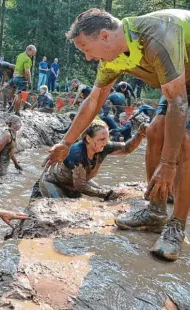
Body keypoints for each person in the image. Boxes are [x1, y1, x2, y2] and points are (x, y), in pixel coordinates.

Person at [49, 8, 190, 261]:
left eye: (85, 48)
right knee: (156, 130)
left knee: (185, 143)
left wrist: (168, 165)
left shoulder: (156, 36)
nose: (88, 58)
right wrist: (66, 142)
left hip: (180, 84)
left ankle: (176, 227)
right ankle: (156, 212)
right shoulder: (110, 59)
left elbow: (179, 102)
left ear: (104, 35)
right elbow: (93, 101)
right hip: (179, 80)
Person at [34, 121, 146, 199]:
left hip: (75, 182)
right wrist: (105, 194)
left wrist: (140, 134)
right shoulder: (76, 153)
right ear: (88, 138)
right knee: (60, 207)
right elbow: (81, 186)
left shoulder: (104, 146)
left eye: (107, 138)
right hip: (53, 182)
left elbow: (127, 149)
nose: (105, 142)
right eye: (102, 139)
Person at [3, 45, 37, 116]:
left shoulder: (20, 55)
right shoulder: (27, 59)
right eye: (33, 52)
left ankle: (11, 107)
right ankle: (17, 112)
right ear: (28, 50)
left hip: (15, 78)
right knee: (19, 96)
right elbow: (27, 71)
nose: (34, 54)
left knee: (16, 94)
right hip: (21, 79)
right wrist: (29, 81)